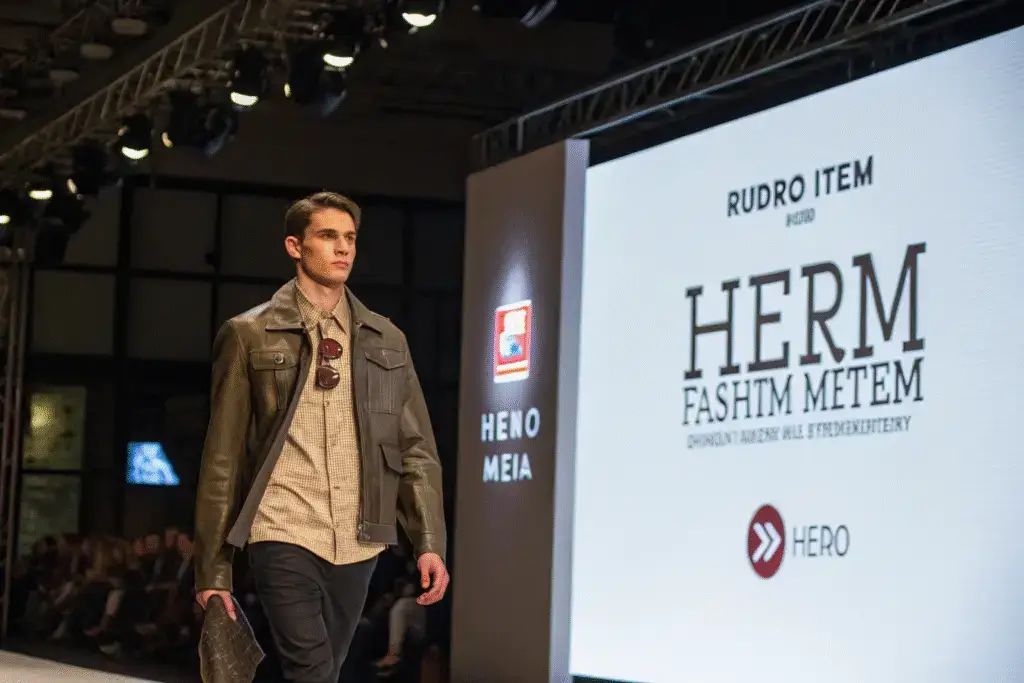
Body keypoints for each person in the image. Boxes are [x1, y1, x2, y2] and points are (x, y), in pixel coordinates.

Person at [193, 191, 449, 683]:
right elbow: (222, 457)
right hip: (282, 526)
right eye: (328, 236)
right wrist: (213, 569)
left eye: (349, 237)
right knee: (311, 670)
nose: (343, 248)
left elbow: (415, 449)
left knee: (322, 672)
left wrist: (428, 541)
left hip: (360, 537)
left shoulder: (386, 340)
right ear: (295, 246)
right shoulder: (249, 334)